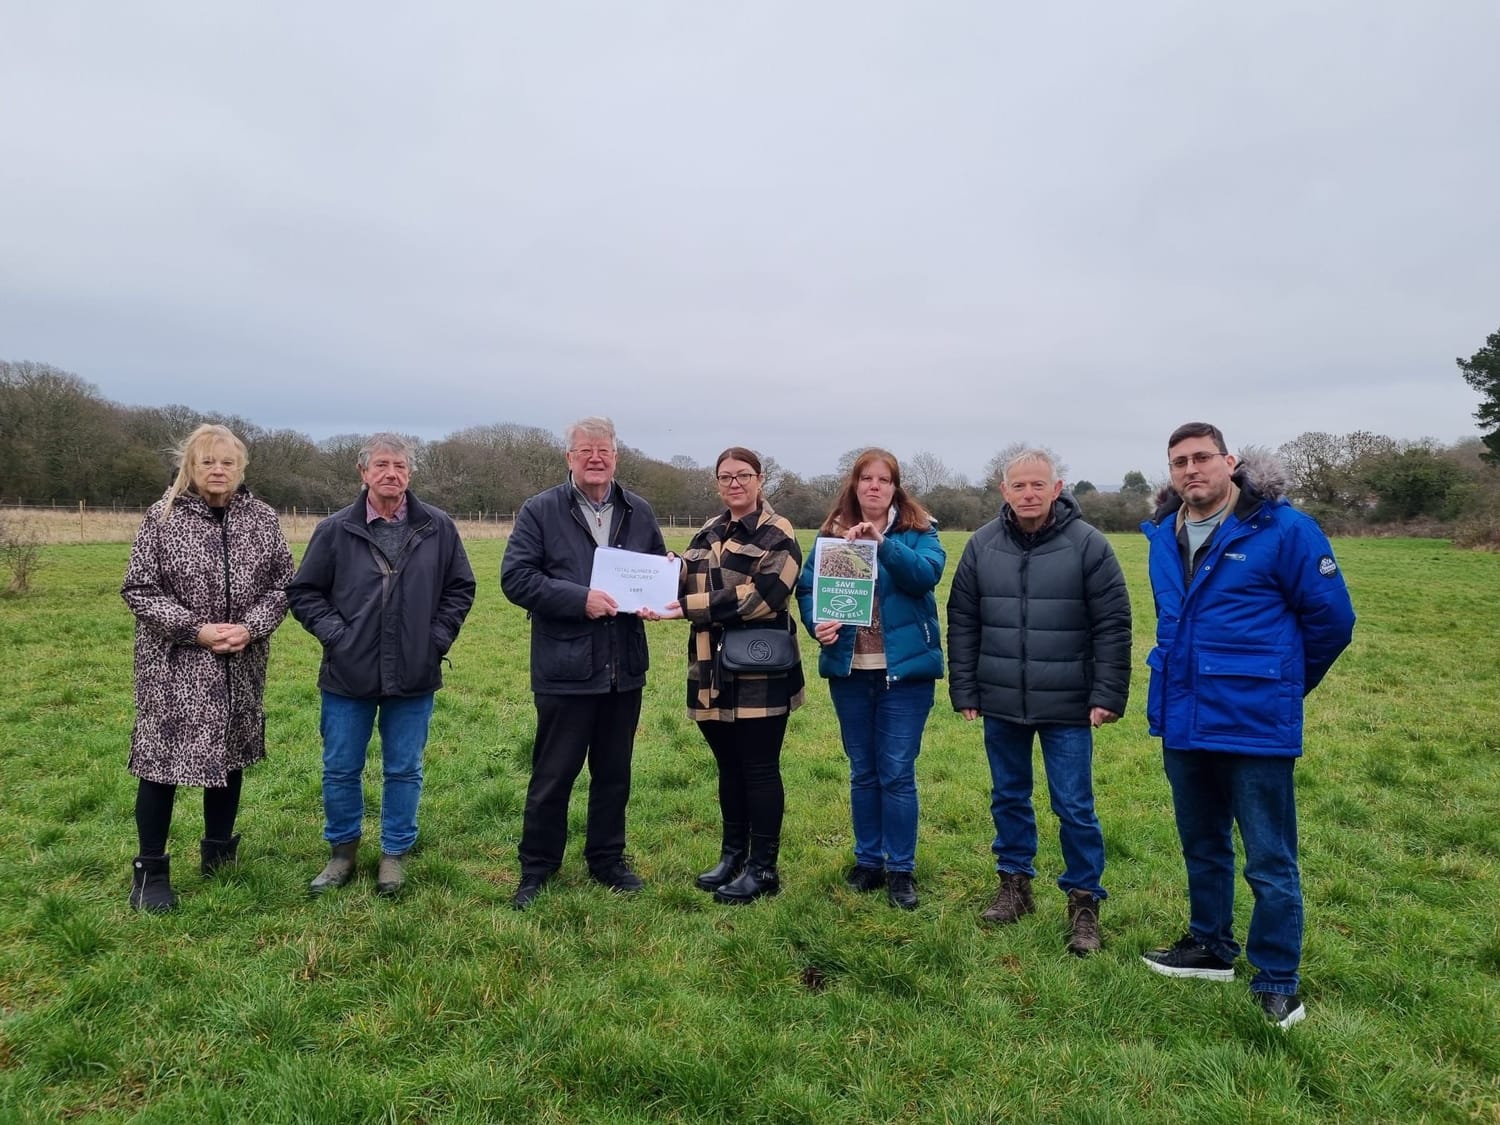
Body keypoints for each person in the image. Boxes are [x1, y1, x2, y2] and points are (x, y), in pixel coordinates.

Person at [1139, 423, 1354, 1029]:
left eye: (1202, 457)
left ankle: (1278, 976)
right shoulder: (1163, 532)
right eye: (1179, 461)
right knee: (1202, 843)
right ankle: (1209, 946)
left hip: (1255, 721)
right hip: (1184, 716)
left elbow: (1333, 620)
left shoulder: (1282, 528)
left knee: (1268, 856)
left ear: (1229, 462)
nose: (1190, 470)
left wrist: (1281, 684)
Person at [947, 448, 1131, 955]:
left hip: (1069, 703)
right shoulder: (982, 545)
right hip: (1001, 697)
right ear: (1004, 490)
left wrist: (1108, 693)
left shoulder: (1089, 545)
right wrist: (965, 688)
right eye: (1018, 486)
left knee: (1073, 805)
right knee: (1008, 795)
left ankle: (1084, 902)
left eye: (1038, 485)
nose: (1028, 494)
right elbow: (962, 620)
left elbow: (1113, 625)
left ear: (1057, 487)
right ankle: (1014, 886)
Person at [287, 433, 475, 898]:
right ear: (364, 472)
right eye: (382, 465)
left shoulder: (437, 526)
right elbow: (304, 593)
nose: (392, 474)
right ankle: (342, 852)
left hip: (414, 672)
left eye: (400, 466)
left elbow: (460, 588)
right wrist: (338, 636)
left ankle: (394, 853)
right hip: (347, 674)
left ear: (410, 473)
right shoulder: (334, 529)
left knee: (404, 769)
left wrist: (434, 640)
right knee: (340, 768)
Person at [121, 424, 294, 912]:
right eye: (207, 462)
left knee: (229, 756)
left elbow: (285, 583)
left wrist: (251, 626)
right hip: (174, 666)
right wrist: (195, 629)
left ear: (241, 469)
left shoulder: (262, 519)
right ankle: (150, 871)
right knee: (160, 765)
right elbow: (139, 589)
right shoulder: (163, 518)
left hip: (240, 663)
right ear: (190, 468)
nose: (218, 470)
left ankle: (219, 852)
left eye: (228, 462)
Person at [500, 417, 667, 910]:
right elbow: (516, 579)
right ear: (569, 457)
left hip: (624, 668)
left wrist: (661, 591)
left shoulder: (639, 510)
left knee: (614, 773)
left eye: (605, 451)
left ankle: (607, 859)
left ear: (617, 456)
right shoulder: (540, 510)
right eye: (586, 450)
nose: (596, 458)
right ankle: (537, 867)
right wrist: (580, 600)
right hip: (564, 668)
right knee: (554, 773)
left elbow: (656, 565)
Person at [795, 449, 944, 910]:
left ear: (896, 487)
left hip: (905, 672)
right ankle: (867, 861)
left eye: (884, 479)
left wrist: (885, 544)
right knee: (863, 771)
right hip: (851, 670)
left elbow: (925, 577)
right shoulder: (832, 536)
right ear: (854, 485)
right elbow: (807, 588)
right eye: (866, 479)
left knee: (896, 772)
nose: (875, 486)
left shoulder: (920, 532)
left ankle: (900, 869)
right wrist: (816, 622)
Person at [658, 447, 804, 903]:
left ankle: (764, 869)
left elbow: (765, 595)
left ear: (761, 480)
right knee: (728, 768)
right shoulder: (708, 531)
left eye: (743, 475)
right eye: (725, 477)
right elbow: (686, 576)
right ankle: (732, 856)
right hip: (709, 668)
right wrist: (666, 571)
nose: (734, 484)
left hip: (760, 669)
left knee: (759, 769)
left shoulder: (778, 533)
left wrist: (687, 607)